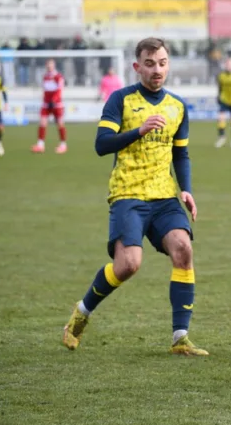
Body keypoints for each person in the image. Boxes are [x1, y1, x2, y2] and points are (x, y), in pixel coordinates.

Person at [62, 37, 206, 356]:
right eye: (150, 64)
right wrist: (139, 130)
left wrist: (185, 189)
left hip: (164, 195)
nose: (157, 70)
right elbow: (102, 144)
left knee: (183, 249)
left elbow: (181, 154)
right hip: (128, 193)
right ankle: (82, 312)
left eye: (162, 63)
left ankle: (180, 337)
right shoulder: (121, 100)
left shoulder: (177, 106)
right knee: (128, 264)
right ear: (137, 66)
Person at [31, 58, 67, 154]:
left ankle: (63, 145)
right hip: (46, 104)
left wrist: (54, 100)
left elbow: (59, 90)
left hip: (56, 104)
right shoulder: (45, 77)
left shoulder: (58, 77)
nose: (49, 66)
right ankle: (40, 145)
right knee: (42, 123)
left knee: (60, 123)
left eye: (51, 64)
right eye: (48, 64)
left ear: (54, 65)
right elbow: (45, 89)